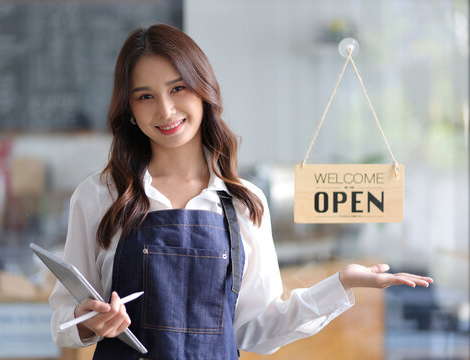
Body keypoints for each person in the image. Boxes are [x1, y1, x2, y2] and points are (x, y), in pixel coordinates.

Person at [49, 24, 433, 359]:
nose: (165, 111)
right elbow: (65, 319)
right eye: (145, 96)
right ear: (129, 109)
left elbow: (257, 329)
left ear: (202, 91)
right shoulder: (99, 196)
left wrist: (340, 284)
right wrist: (93, 321)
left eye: (177, 88)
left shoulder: (244, 202)